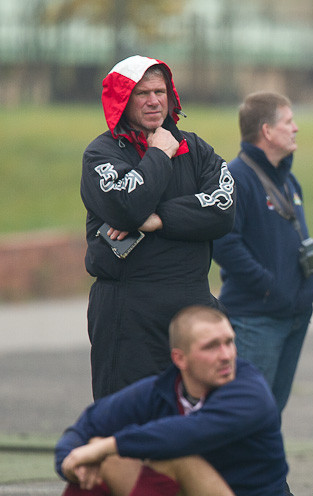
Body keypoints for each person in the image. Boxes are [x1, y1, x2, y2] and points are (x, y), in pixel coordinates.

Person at [28, 306, 287, 496]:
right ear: (180, 358)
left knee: (171, 455)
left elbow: (187, 433)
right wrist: (69, 464)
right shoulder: (161, 389)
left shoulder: (250, 390)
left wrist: (105, 446)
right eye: (211, 347)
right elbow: (87, 425)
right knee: (100, 458)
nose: (226, 355)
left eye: (229, 342)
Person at [81, 55, 235, 401]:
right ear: (122, 101)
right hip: (129, 309)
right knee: (128, 419)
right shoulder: (101, 155)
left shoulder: (195, 149)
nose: (154, 101)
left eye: (160, 91)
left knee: (202, 418)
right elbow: (126, 207)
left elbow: (223, 210)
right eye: (142, 94)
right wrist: (159, 156)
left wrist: (160, 218)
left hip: (192, 304)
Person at [212, 91, 313, 496]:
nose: (296, 127)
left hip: (291, 317)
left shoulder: (287, 179)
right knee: (252, 420)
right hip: (256, 318)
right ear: (266, 131)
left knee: (267, 418)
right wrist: (270, 285)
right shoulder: (238, 176)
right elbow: (225, 243)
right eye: (289, 121)